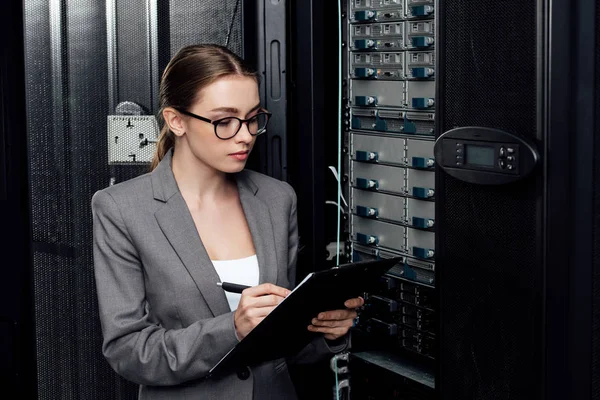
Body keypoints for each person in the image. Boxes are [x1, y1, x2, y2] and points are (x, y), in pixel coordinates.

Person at [91, 44, 362, 400]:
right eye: (224, 121)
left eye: (252, 118)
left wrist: (327, 332)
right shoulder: (121, 208)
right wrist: (231, 329)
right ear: (176, 120)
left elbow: (284, 343)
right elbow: (128, 351)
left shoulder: (277, 199)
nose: (246, 134)